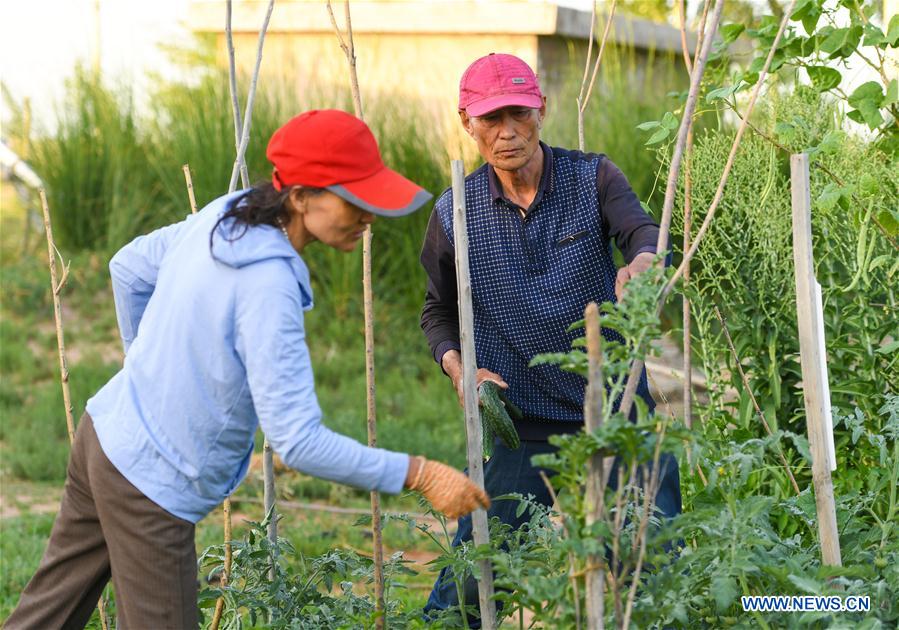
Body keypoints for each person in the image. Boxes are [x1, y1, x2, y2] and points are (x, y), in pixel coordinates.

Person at [6, 109, 490, 630]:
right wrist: (418, 473)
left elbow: (127, 268)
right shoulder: (269, 283)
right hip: (150, 482)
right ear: (302, 197)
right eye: (354, 199)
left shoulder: (227, 214)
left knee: (43, 618)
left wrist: (144, 371)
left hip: (104, 435)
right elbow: (298, 441)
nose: (369, 215)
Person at [419, 53, 682, 624]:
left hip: (613, 405)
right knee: (475, 578)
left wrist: (642, 262)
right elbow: (438, 312)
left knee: (654, 561)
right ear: (467, 122)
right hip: (523, 416)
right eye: (491, 118)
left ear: (543, 109)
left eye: (520, 113)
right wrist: (460, 368)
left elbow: (642, 231)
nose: (507, 131)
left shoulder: (593, 177)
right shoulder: (454, 212)